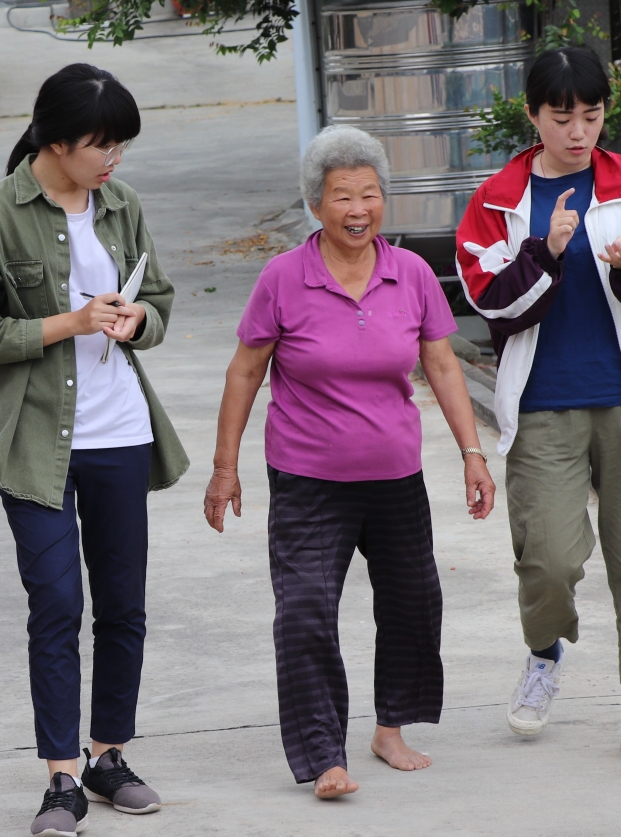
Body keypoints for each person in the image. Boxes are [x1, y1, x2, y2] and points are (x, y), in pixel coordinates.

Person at [203, 125, 496, 798]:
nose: (357, 209)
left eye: (369, 194)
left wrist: (472, 454)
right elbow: (245, 372)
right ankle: (322, 755)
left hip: (395, 475)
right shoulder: (284, 278)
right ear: (316, 204)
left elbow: (443, 363)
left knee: (412, 602)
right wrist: (226, 467)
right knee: (304, 610)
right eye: (342, 196)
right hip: (308, 480)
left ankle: (390, 728)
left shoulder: (412, 273)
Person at [0, 63, 189, 837]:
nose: (114, 157)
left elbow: (157, 302)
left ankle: (108, 758)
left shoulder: (121, 205)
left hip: (121, 431)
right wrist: (74, 321)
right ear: (56, 141)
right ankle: (61, 779)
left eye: (121, 142)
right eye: (101, 143)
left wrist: (132, 325)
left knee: (123, 607)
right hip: (34, 441)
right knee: (56, 604)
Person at [455, 46, 621, 766]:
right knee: (548, 559)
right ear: (534, 115)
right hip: (544, 403)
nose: (579, 131)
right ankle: (544, 655)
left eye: (591, 116)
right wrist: (546, 251)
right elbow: (488, 302)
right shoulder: (499, 197)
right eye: (563, 117)